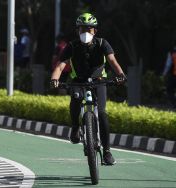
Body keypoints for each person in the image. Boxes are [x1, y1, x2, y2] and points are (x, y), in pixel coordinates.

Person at [50, 13, 126, 165]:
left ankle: (107, 151)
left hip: (99, 82)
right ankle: (75, 128)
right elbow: (60, 65)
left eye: (89, 29)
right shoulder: (71, 46)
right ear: (77, 31)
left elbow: (112, 61)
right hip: (79, 81)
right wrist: (54, 79)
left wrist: (121, 75)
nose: (85, 32)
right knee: (76, 99)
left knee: (103, 113)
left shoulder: (102, 43)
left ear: (95, 31)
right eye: (82, 29)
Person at [162, 41, 176, 108]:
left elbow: (168, 65)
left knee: (169, 90)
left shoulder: (172, 52)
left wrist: (164, 74)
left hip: (174, 75)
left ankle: (174, 104)